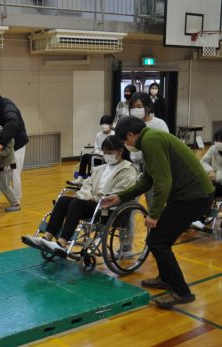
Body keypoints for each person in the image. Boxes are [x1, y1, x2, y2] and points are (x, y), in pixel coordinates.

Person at [101, 117, 214, 309]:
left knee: (158, 241)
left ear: (130, 135)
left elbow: (163, 182)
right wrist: (120, 197)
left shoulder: (151, 141)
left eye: (124, 141)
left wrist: (154, 214)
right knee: (158, 238)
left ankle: (182, 291)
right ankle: (165, 278)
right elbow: (148, 179)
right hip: (190, 196)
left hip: (194, 198)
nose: (126, 146)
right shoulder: (150, 140)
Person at [22, 136, 137, 254]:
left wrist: (95, 198)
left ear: (121, 151)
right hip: (92, 204)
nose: (107, 155)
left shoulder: (128, 170)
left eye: (110, 152)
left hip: (108, 208)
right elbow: (87, 185)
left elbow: (121, 192)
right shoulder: (100, 168)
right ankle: (46, 237)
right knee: (63, 200)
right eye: (105, 152)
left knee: (76, 203)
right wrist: (85, 195)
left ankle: (62, 242)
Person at [69, 115, 114, 185]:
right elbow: (96, 148)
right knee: (85, 156)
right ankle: (80, 178)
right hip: (99, 154)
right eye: (102, 124)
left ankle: (90, 178)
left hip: (108, 156)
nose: (104, 125)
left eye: (106, 124)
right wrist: (99, 152)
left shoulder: (114, 135)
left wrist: (104, 153)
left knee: (92, 158)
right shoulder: (98, 135)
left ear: (111, 124)